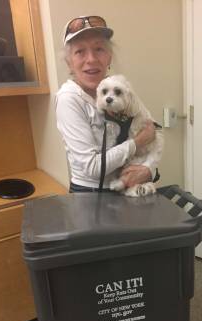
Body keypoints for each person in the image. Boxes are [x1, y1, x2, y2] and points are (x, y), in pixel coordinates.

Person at [56, 15, 157, 192]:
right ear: (69, 62)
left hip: (127, 186)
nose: (91, 59)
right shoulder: (69, 99)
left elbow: (153, 131)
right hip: (91, 196)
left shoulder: (119, 88)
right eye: (80, 51)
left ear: (109, 57)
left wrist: (149, 169)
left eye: (99, 49)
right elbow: (93, 168)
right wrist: (137, 142)